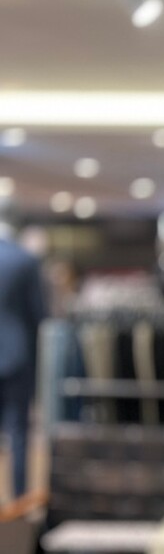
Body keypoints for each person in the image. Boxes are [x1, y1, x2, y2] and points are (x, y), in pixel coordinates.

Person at [0, 205, 47, 497]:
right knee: (18, 430)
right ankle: (19, 498)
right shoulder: (25, 260)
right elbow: (38, 314)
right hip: (16, 356)